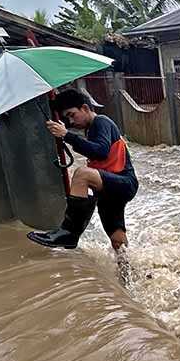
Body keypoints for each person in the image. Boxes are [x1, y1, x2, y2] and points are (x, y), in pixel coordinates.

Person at [27, 89, 139, 251]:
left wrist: (67, 135)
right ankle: (131, 274)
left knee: (81, 174)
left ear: (85, 108)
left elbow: (100, 151)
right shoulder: (90, 130)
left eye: (72, 115)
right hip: (109, 190)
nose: (71, 121)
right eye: (67, 118)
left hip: (123, 182)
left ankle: (69, 232)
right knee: (117, 242)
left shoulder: (101, 122)